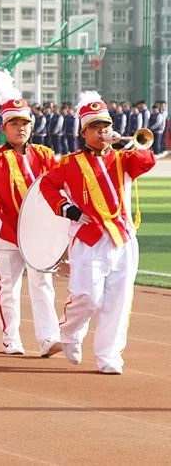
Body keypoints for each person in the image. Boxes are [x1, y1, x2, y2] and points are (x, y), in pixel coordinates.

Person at [40, 91, 155, 374]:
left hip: (122, 237)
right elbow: (47, 187)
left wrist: (133, 145)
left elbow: (147, 160)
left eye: (105, 126)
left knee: (118, 299)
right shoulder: (69, 163)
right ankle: (70, 331)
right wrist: (69, 210)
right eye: (95, 127)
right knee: (87, 296)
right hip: (89, 238)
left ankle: (109, 356)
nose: (102, 132)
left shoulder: (123, 158)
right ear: (84, 132)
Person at [0, 69, 62, 357]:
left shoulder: (44, 154)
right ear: (5, 128)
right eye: (14, 124)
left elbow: (57, 187)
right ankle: (11, 338)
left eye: (25, 124)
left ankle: (48, 337)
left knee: (43, 284)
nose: (21, 129)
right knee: (9, 287)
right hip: (7, 232)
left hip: (38, 234)